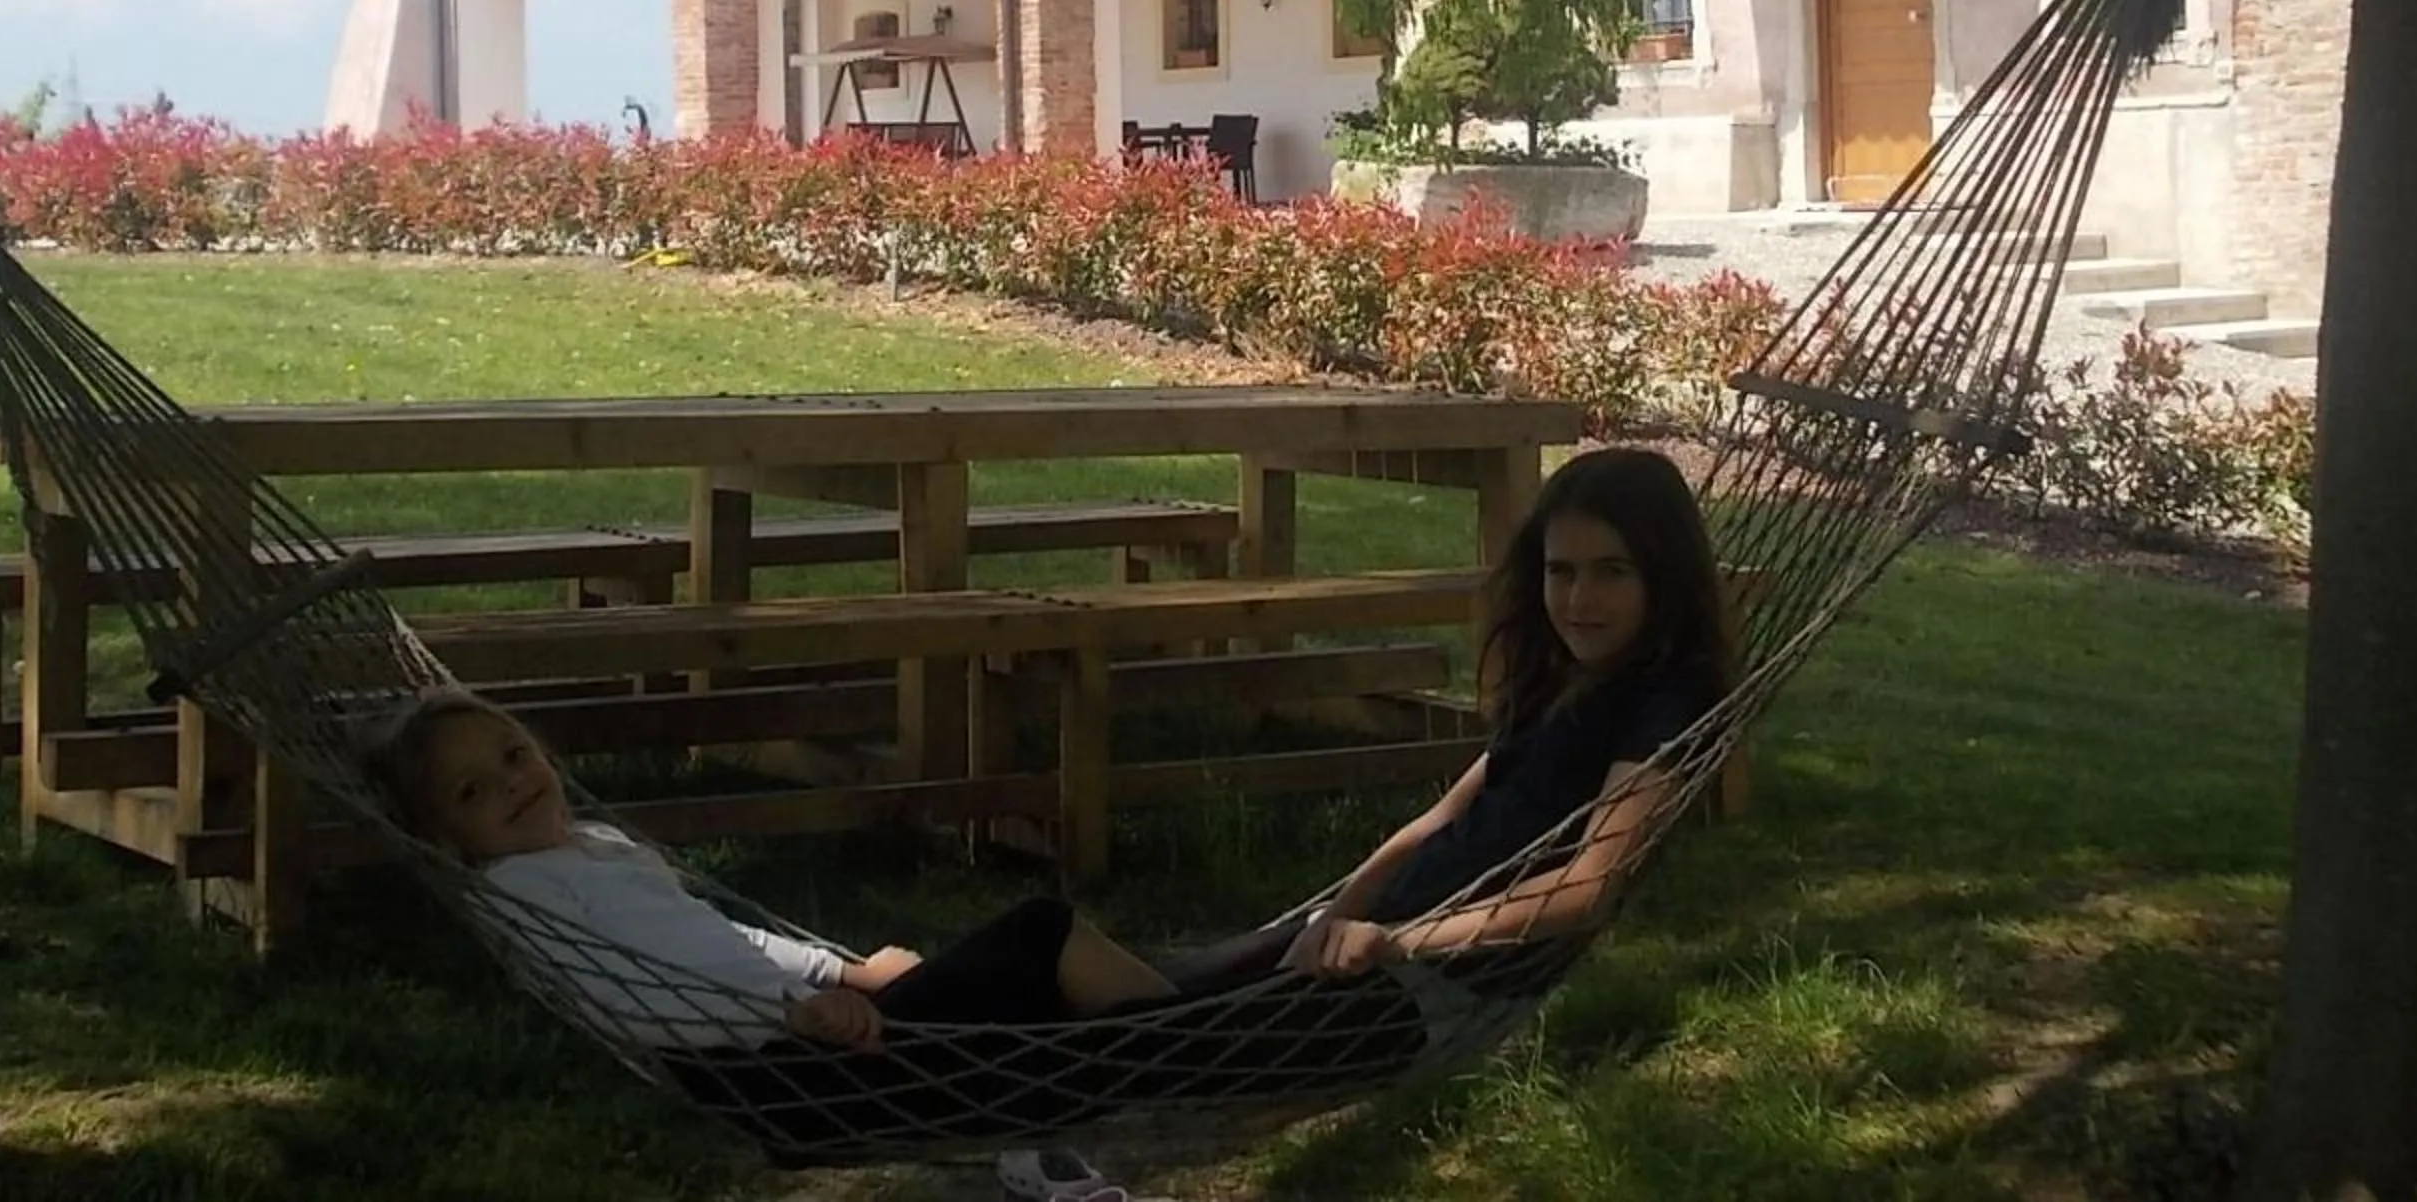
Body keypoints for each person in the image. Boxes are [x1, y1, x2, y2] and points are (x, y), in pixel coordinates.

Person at [1160, 444, 1731, 996]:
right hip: (1374, 938)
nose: (1581, 599)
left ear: (1665, 576)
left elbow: (1586, 888)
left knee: (1145, 1011)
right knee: (1139, 987)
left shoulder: (1667, 705)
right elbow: (1439, 820)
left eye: (1612, 572)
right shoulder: (1561, 679)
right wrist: (1334, 916)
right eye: (1561, 572)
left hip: (1431, 979)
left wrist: (1397, 942)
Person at [365, 688, 1175, 1053]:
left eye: (513, 755)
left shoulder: (590, 845)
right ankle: (1185, 1043)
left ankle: (1196, 1011)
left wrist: (841, 972)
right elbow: (634, 999)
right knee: (1040, 932)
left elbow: (724, 939)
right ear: (444, 839)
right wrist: (793, 1017)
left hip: (821, 1019)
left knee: (1041, 984)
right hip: (790, 1066)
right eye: (473, 791)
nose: (511, 783)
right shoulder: (521, 895)